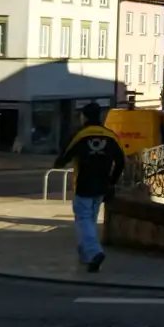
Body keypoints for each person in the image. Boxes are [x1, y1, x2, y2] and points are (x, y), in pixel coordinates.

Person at [53, 103, 125, 272]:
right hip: (102, 187)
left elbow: (64, 156)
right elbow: (121, 162)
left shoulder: (80, 135)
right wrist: (112, 181)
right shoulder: (111, 136)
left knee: (83, 220)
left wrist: (59, 162)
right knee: (90, 220)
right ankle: (86, 255)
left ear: (84, 116)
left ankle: (94, 253)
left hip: (84, 185)